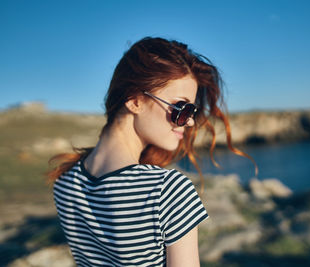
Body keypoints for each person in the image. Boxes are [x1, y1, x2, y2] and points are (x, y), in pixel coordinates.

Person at [47, 36, 255, 267]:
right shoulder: (166, 190)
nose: (188, 123)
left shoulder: (65, 182)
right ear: (135, 100)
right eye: (181, 108)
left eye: (192, 112)